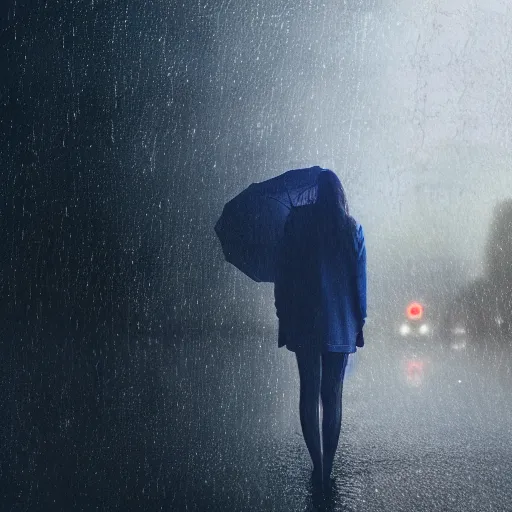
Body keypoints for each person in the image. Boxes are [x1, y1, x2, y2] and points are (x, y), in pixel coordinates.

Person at [274, 169, 367, 491]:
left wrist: (283, 315)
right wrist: (360, 320)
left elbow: (282, 275)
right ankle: (329, 464)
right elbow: (359, 281)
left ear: (314, 193)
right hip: (340, 322)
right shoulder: (350, 229)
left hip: (303, 320)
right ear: (340, 195)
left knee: (308, 392)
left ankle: (316, 461)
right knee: (333, 396)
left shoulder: (296, 224)